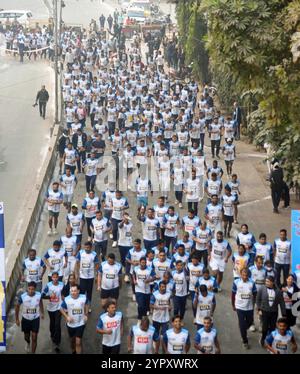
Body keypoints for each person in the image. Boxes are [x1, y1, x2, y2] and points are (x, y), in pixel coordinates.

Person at [256, 276, 286, 346]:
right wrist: (259, 309)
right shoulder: (262, 289)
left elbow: (282, 302)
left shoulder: (278, 291)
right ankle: (263, 338)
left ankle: (270, 341)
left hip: (274, 312)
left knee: (272, 328)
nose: (266, 283)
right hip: (264, 311)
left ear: (273, 282)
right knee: (265, 328)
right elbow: (258, 299)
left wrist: (284, 314)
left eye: (268, 281)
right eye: (266, 281)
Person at [232, 267, 257, 349]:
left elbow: (255, 293)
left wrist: (254, 304)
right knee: (242, 325)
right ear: (240, 275)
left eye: (246, 275)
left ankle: (243, 329)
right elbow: (233, 294)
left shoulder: (252, 283)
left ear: (248, 275)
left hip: (249, 307)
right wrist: (233, 305)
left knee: (249, 323)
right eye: (243, 275)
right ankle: (245, 340)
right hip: (239, 307)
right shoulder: (236, 282)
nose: (245, 277)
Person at [15, 282, 44, 354]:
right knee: (26, 337)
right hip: (25, 319)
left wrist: (42, 312)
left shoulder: (38, 295)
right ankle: (28, 343)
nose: (31, 291)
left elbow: (40, 302)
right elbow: (17, 306)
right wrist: (17, 319)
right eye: (29, 289)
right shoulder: (23, 296)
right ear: (27, 288)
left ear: (35, 289)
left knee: (34, 337)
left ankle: (33, 352)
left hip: (35, 319)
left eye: (33, 289)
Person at [60, 284, 88, 354]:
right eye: (71, 291)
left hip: (81, 323)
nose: (73, 292)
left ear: (78, 291)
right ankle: (73, 351)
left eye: (75, 291)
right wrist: (67, 317)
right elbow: (61, 309)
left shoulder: (83, 297)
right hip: (71, 324)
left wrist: (86, 314)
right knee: (72, 341)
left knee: (78, 342)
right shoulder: (67, 299)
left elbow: (87, 304)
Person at [41, 272, 64, 353]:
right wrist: (50, 297)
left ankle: (57, 343)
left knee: (57, 324)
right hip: (51, 308)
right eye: (53, 277)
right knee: (53, 323)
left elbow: (65, 294)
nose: (55, 279)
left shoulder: (62, 284)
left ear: (58, 278)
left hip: (59, 307)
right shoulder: (49, 285)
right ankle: (52, 334)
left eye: (56, 277)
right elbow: (42, 296)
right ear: (51, 278)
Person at [76, 241, 99, 312]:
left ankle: (88, 306)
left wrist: (96, 275)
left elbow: (97, 265)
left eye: (88, 248)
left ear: (91, 248)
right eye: (85, 247)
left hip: (90, 277)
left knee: (89, 292)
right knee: (82, 292)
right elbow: (77, 262)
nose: (86, 249)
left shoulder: (94, 254)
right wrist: (78, 272)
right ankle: (82, 305)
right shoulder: (80, 253)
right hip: (82, 277)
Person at [150, 281, 172, 345]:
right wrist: (159, 308)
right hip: (156, 318)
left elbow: (169, 305)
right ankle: (155, 347)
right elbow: (151, 305)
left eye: (164, 287)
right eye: (162, 287)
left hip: (165, 318)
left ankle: (163, 347)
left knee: (164, 335)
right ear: (159, 287)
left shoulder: (168, 294)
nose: (163, 288)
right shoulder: (154, 294)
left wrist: (169, 307)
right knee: (155, 334)